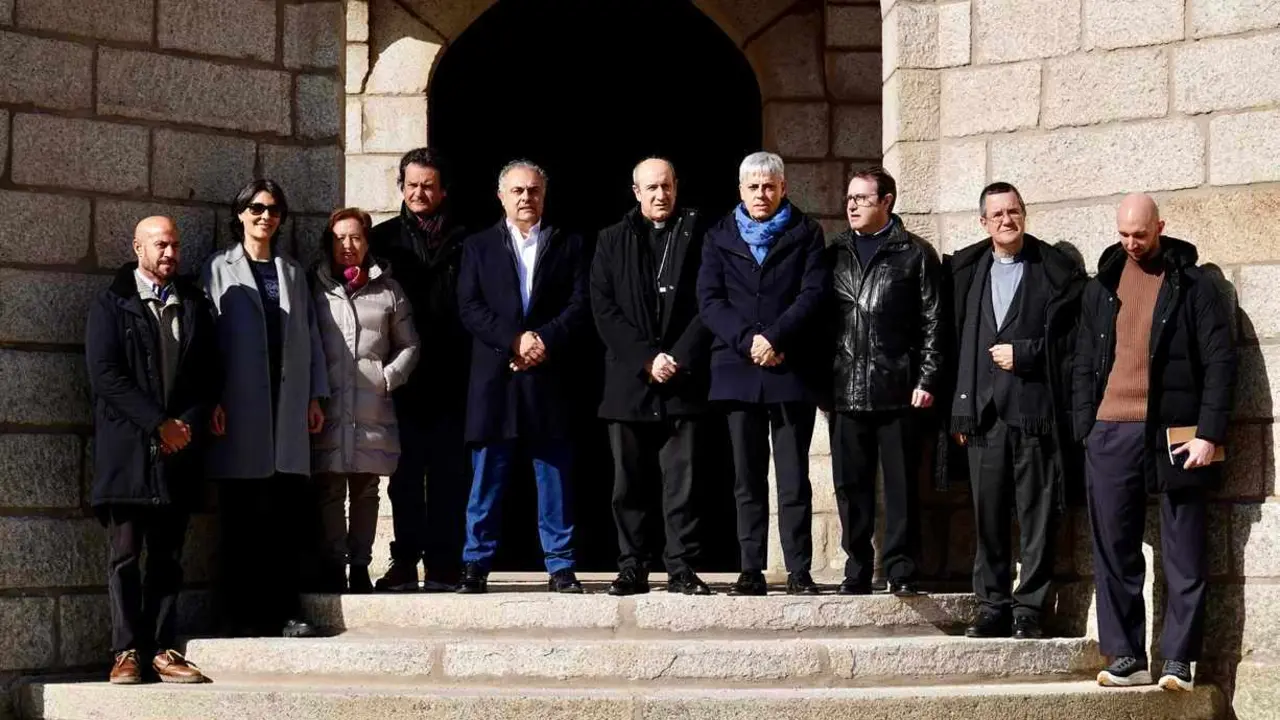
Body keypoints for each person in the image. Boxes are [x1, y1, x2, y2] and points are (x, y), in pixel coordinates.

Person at [1073, 194, 1236, 691]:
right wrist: (1088, 425)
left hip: (1175, 432)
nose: (1131, 243)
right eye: (1123, 235)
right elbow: (1082, 360)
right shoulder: (1101, 285)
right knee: (1113, 550)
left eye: (1139, 234)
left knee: (1184, 547)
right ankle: (1126, 656)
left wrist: (1209, 433)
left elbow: (1220, 363)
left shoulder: (1194, 284)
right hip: (1111, 430)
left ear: (1159, 227)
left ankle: (1179, 661)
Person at [945, 182, 1085, 640]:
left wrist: (1026, 354)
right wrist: (960, 410)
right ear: (983, 222)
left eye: (1014, 211)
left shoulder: (1055, 272)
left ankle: (1030, 609)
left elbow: (1072, 345)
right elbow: (957, 344)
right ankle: (992, 606)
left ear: (1024, 214)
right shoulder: (967, 270)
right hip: (982, 416)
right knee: (986, 517)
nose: (1007, 220)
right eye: (998, 214)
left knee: (1038, 516)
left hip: (1032, 414)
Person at [87, 216, 218, 684]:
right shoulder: (112, 304)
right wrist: (157, 423)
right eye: (161, 245)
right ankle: (125, 652)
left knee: (168, 557)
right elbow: (105, 376)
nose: (170, 253)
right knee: (124, 557)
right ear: (138, 248)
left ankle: (162, 649)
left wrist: (187, 425)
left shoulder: (194, 304)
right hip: (127, 454)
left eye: (175, 245)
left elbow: (207, 375)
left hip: (176, 453)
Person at [697, 151, 831, 596]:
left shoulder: (806, 233)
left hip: (788, 367)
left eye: (769, 186)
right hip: (738, 368)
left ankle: (798, 570)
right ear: (741, 190)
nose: (761, 194)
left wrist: (775, 339)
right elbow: (710, 300)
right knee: (747, 477)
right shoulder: (719, 236)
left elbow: (813, 294)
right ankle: (750, 568)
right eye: (753, 187)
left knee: (793, 477)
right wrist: (748, 341)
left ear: (783, 188)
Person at [455, 160, 591, 594]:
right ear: (501, 196)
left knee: (553, 477)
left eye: (533, 190)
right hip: (496, 378)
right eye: (517, 191)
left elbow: (579, 303)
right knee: (487, 477)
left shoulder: (569, 244)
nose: (525, 198)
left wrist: (543, 341)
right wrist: (515, 340)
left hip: (549, 378)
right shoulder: (477, 246)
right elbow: (470, 306)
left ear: (544, 195)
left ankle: (561, 566)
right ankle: (475, 564)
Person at [202, 179, 329, 638]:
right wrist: (212, 398)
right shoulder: (217, 268)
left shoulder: (292, 271)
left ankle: (285, 612)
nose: (264, 216)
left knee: (284, 520)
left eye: (273, 209)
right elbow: (206, 340)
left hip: (288, 407)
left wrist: (315, 395)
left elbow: (311, 337)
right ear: (239, 214)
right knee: (240, 519)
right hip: (239, 409)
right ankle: (238, 615)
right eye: (255, 208)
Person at [591, 158, 714, 596]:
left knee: (683, 484)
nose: (659, 195)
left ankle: (681, 567)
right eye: (651, 188)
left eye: (666, 186)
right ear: (635, 191)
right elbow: (604, 309)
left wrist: (677, 356)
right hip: (630, 383)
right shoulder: (610, 240)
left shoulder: (702, 236)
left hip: (683, 379)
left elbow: (709, 302)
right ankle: (632, 567)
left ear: (677, 187)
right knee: (629, 485)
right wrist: (646, 359)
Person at [827, 167, 942, 596]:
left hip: (899, 390)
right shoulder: (834, 253)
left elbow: (934, 322)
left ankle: (900, 569)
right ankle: (857, 567)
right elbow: (824, 322)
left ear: (887, 202)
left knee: (901, 487)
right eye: (850, 198)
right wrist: (825, 386)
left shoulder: (915, 253)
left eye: (862, 198)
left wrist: (927, 377)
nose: (852, 205)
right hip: (845, 389)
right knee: (850, 485)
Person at [369, 148, 472, 593]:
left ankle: (445, 563)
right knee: (404, 476)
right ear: (401, 186)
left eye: (428, 185)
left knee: (451, 474)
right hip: (402, 376)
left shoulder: (469, 238)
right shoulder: (383, 239)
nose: (419, 193)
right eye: (411, 184)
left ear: (442, 190)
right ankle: (405, 561)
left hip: (454, 373)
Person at [311, 207, 420, 594]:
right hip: (327, 405)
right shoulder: (316, 286)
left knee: (365, 489)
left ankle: (360, 565)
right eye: (340, 237)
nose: (348, 245)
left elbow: (409, 345)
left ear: (367, 242)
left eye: (355, 237)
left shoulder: (388, 289)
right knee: (328, 489)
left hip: (372, 405)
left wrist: (388, 378)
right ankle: (332, 563)